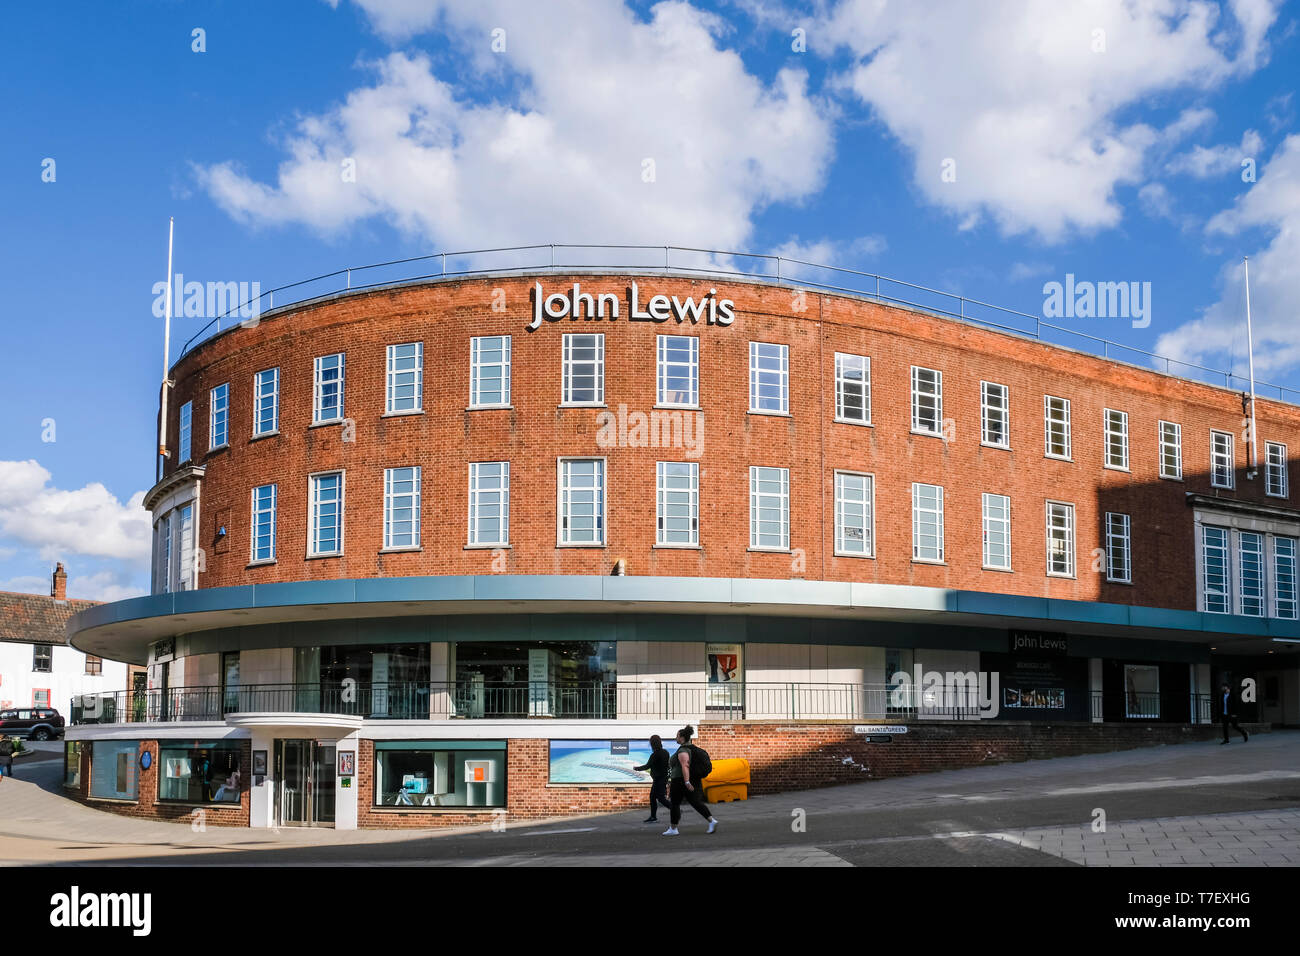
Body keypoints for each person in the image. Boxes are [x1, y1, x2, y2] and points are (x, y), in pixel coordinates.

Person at [663, 725, 717, 836]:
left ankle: (673, 829)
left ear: (682, 738)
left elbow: (685, 765)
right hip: (690, 780)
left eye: (677, 736)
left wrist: (687, 782)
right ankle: (711, 820)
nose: (676, 738)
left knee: (674, 803)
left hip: (680, 781)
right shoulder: (691, 747)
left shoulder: (683, 750)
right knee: (695, 802)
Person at [633, 735, 672, 823]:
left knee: (660, 798)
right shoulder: (665, 752)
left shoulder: (655, 754)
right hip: (663, 778)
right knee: (653, 797)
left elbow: (647, 766)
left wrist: (636, 768)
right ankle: (653, 816)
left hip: (659, 780)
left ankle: (675, 810)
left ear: (652, 744)